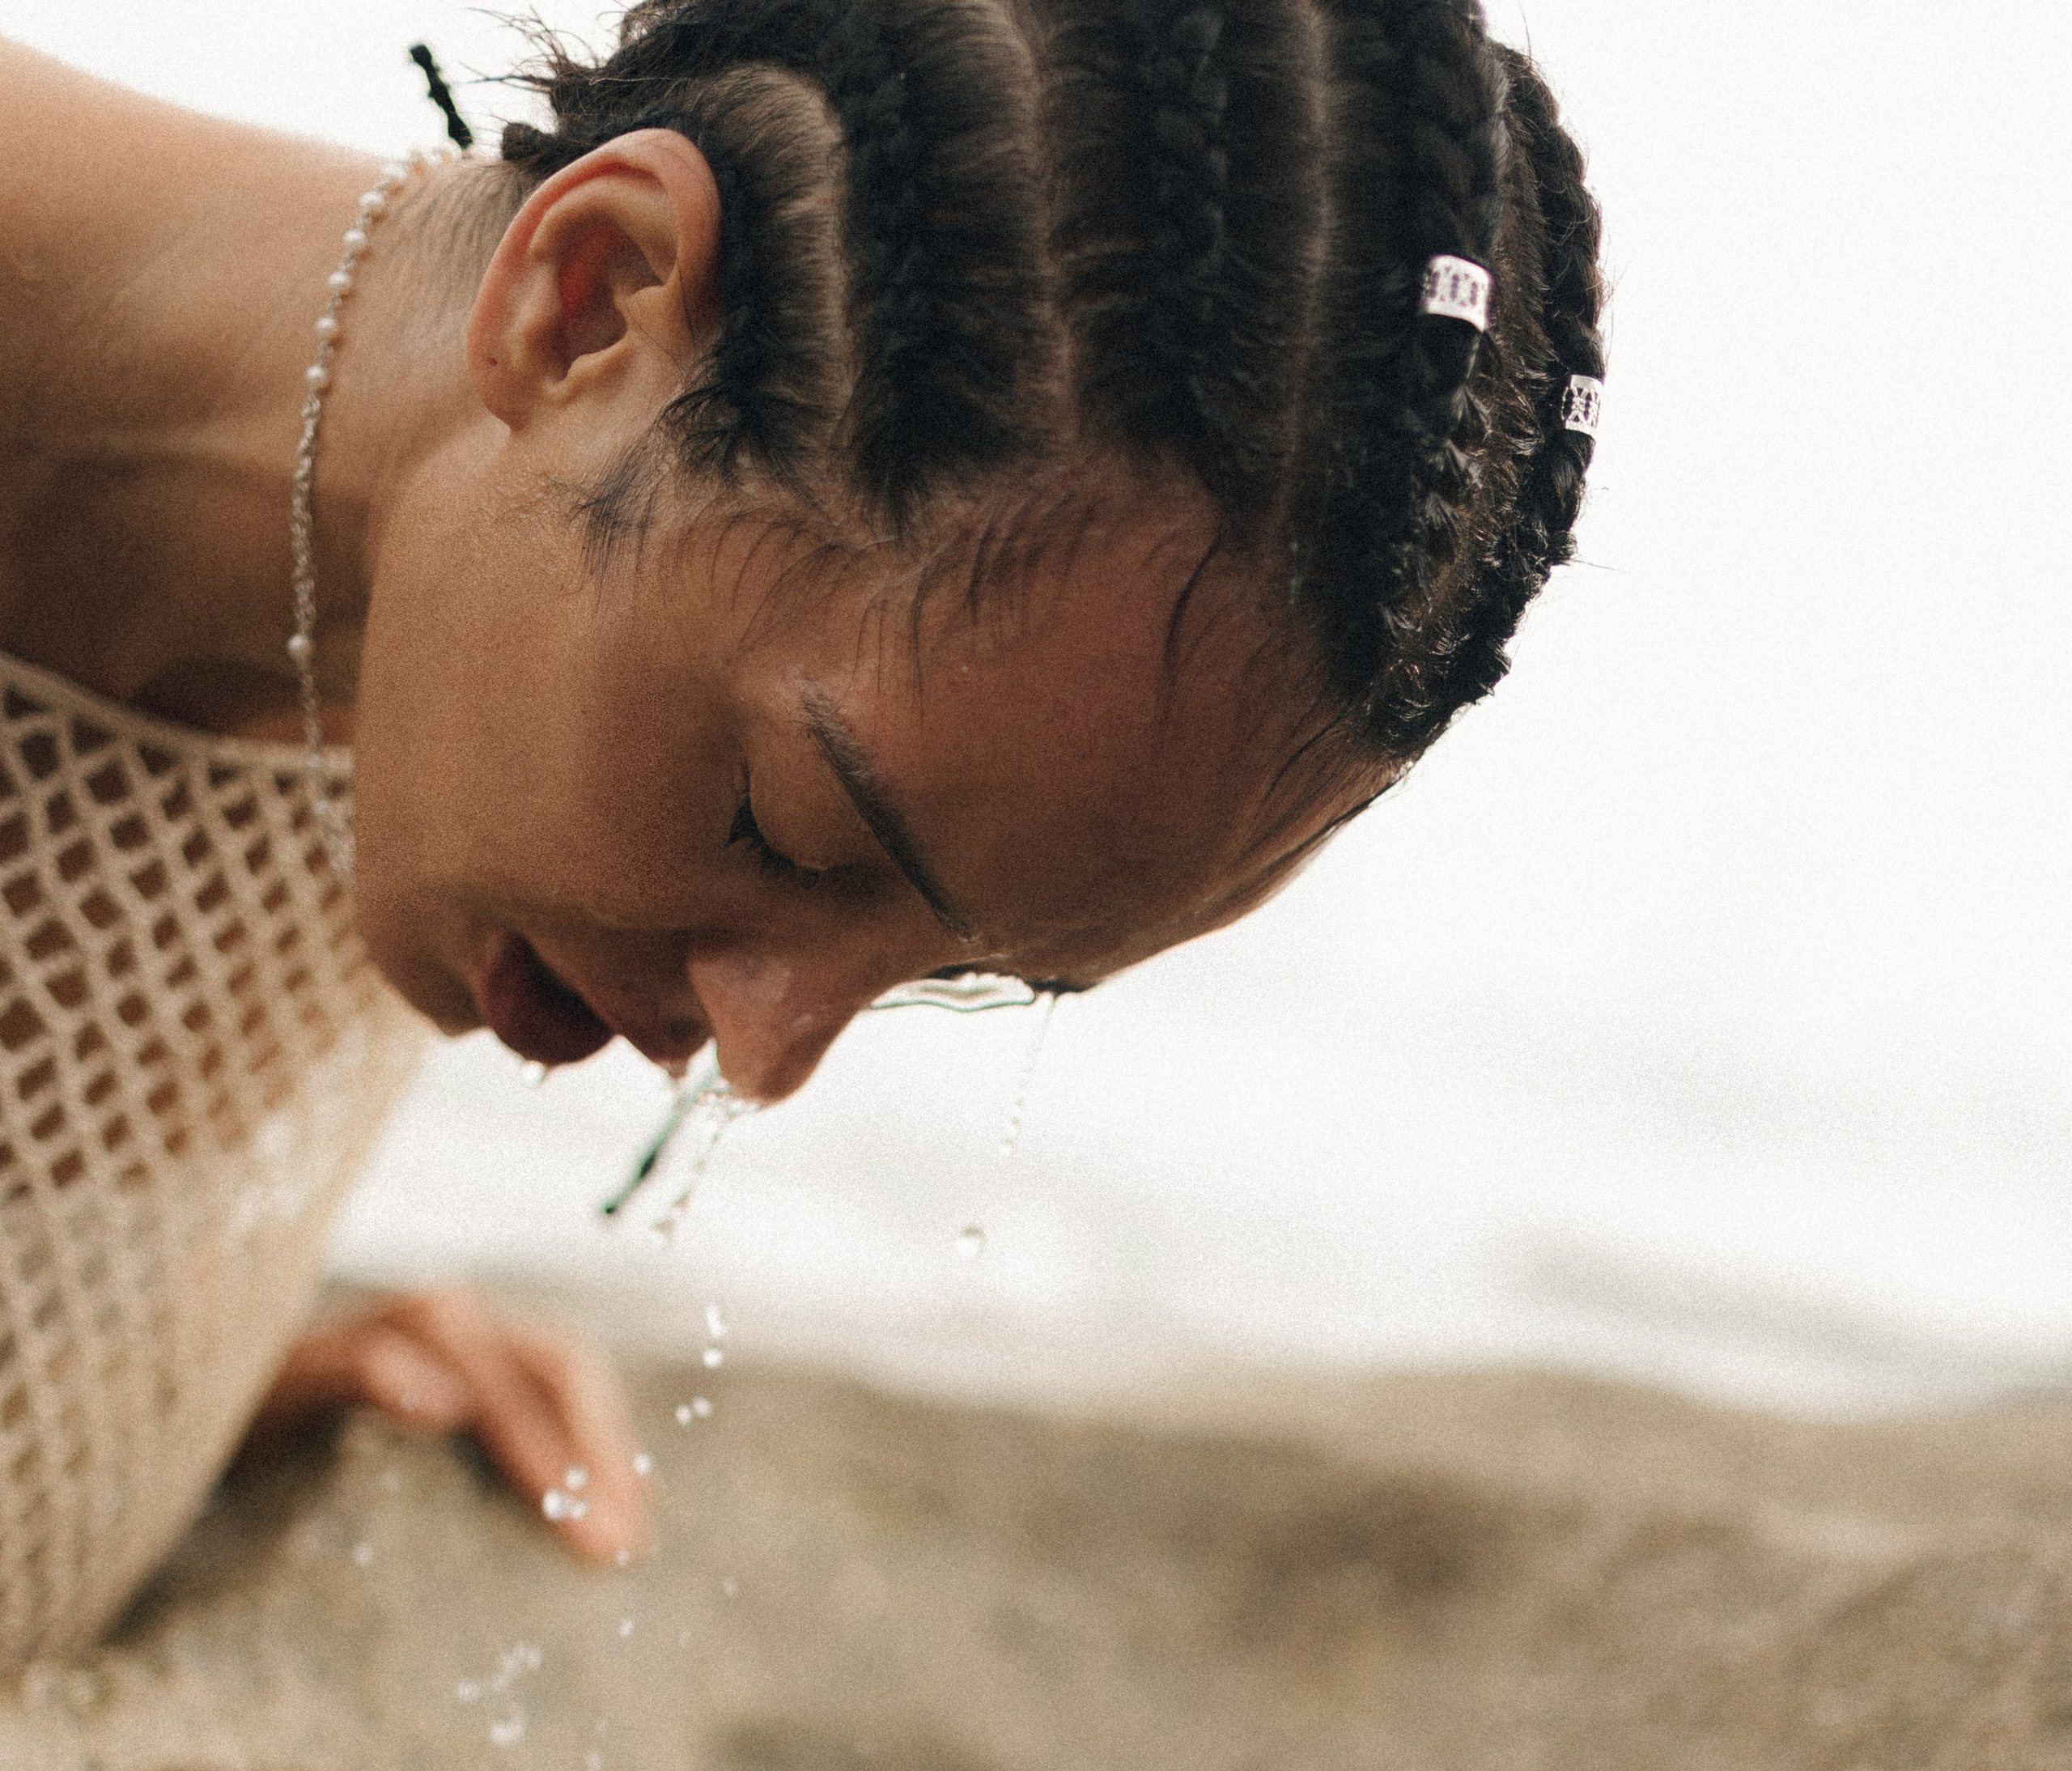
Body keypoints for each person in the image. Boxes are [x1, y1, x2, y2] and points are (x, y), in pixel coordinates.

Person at [0, 0, 1603, 1669]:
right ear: (587, 299)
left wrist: (150, 1395)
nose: (759, 1057)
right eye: (786, 827)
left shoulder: (421, 648)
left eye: (961, 973)